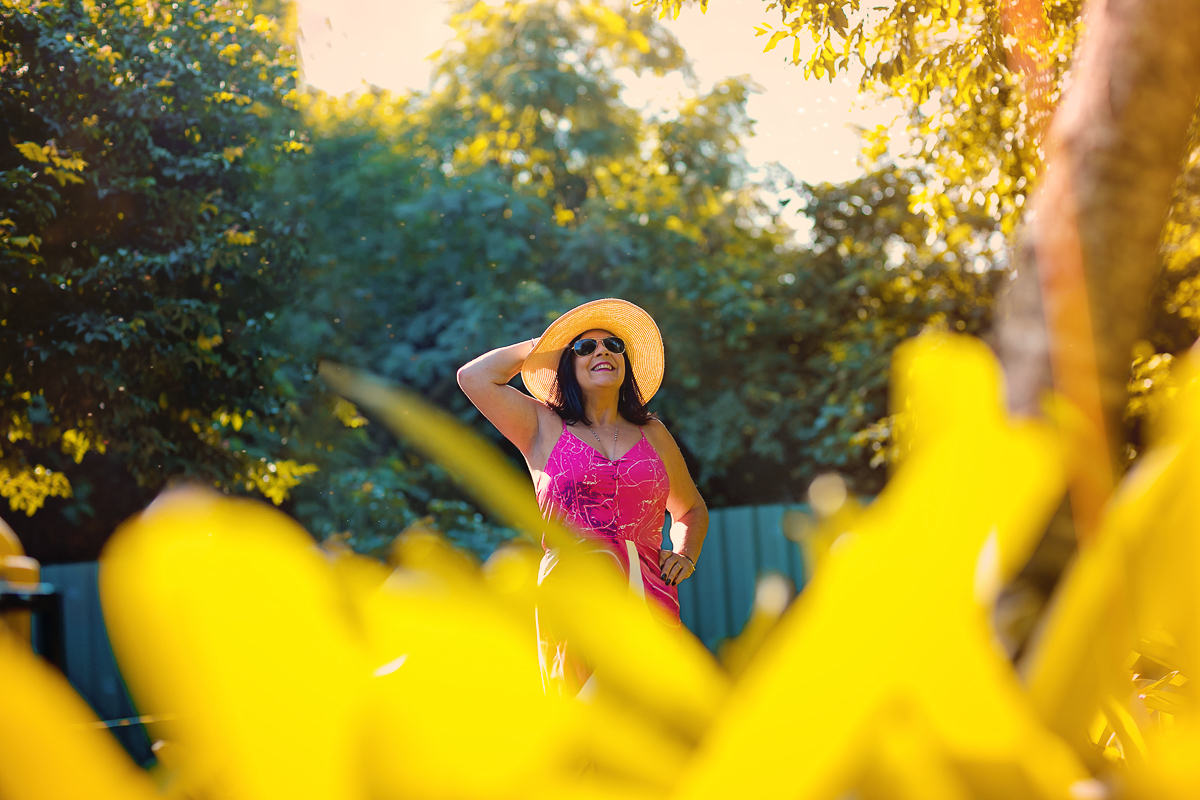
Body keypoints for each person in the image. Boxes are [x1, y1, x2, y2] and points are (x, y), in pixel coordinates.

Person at [457, 298, 708, 694]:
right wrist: (546, 345)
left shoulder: (653, 433)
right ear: (567, 364)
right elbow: (474, 377)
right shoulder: (541, 425)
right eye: (585, 347)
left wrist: (685, 554)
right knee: (586, 717)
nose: (602, 351)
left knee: (648, 716)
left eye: (613, 345)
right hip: (573, 598)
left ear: (625, 363)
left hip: (647, 597)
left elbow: (690, 508)